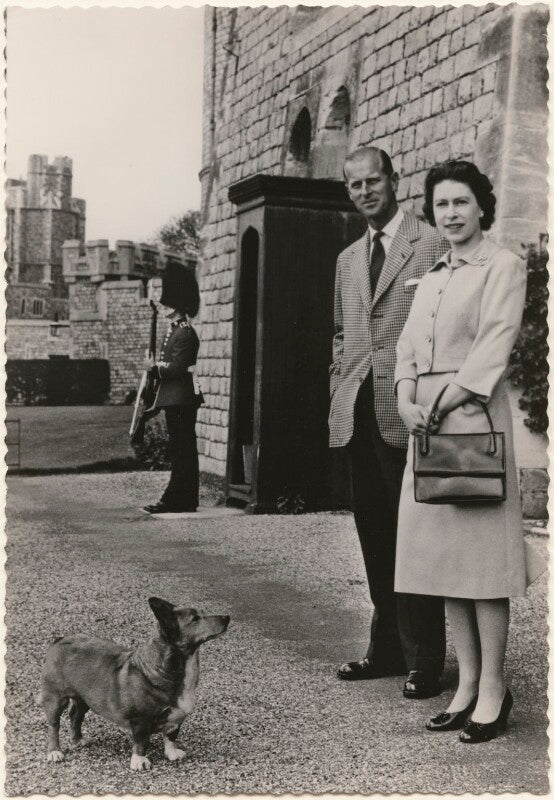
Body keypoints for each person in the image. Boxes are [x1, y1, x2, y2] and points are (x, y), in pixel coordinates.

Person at [394, 160, 547, 741]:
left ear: (482, 205)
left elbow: (494, 344)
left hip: (473, 418)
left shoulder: (503, 265)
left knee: (483, 563)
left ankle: (493, 690)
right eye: (441, 205)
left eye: (461, 203)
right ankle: (466, 684)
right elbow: (408, 347)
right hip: (427, 426)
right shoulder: (431, 276)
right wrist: (408, 397)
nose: (451, 214)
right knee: (445, 562)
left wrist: (443, 401)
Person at [329, 146, 448, 699]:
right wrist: (338, 384)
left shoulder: (430, 244)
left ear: (394, 180)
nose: (365, 192)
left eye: (373, 181)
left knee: (417, 538)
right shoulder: (348, 258)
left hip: (409, 412)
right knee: (375, 535)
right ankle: (388, 649)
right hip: (358, 412)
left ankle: (428, 657)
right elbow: (343, 333)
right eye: (354, 185)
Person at [143, 259, 202, 515]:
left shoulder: (186, 332)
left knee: (182, 449)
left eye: (168, 302)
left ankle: (178, 497)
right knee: (179, 449)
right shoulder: (176, 330)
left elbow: (176, 367)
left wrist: (155, 367)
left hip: (181, 397)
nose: (164, 306)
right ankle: (182, 497)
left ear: (177, 305)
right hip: (173, 397)